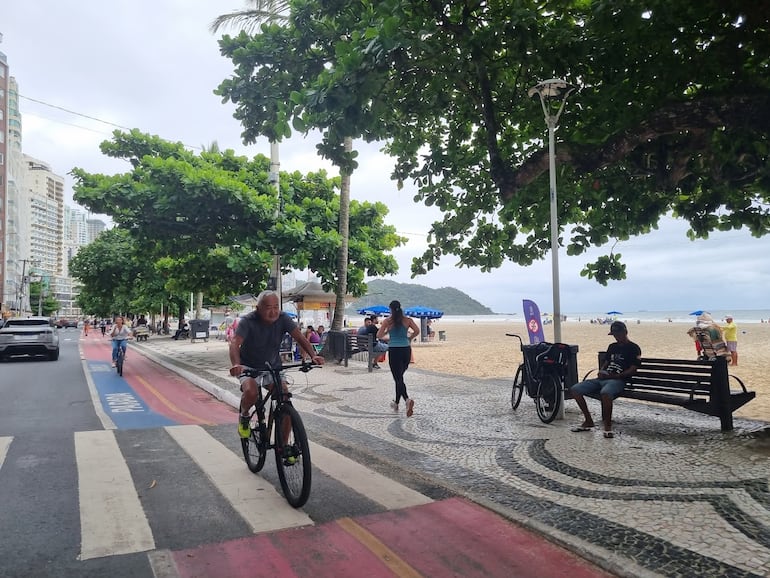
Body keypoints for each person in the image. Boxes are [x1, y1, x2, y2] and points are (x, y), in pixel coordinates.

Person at [229, 290, 325, 439]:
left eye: (276, 307)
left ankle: (284, 448)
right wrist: (236, 364)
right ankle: (244, 415)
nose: (273, 311)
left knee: (285, 399)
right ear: (258, 308)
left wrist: (314, 355)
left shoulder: (283, 318)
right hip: (248, 366)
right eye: (268, 307)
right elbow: (235, 343)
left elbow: (299, 338)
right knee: (252, 393)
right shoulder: (248, 321)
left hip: (273, 366)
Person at [569, 321, 641, 439]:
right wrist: (601, 371)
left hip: (619, 380)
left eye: (618, 334)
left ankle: (607, 426)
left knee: (606, 393)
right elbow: (606, 363)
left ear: (625, 332)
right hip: (603, 378)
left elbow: (633, 369)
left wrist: (616, 376)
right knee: (575, 389)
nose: (616, 337)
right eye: (614, 335)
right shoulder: (612, 347)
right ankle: (588, 420)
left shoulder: (633, 348)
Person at [377, 301, 420, 416]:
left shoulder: (388, 321)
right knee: (399, 377)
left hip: (394, 350)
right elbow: (417, 331)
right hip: (406, 350)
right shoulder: (408, 320)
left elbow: (379, 336)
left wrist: (388, 331)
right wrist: (410, 338)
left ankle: (407, 400)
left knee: (398, 378)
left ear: (390, 309)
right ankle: (396, 402)